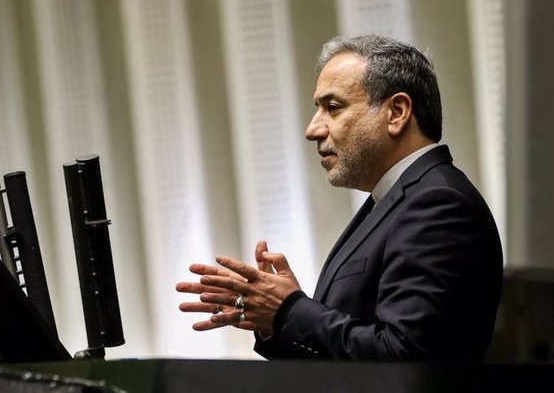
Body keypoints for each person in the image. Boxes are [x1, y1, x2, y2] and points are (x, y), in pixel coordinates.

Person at [176, 34, 503, 361]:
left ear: (397, 112)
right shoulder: (399, 198)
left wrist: (289, 310)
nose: (312, 129)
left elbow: (405, 359)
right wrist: (275, 319)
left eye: (333, 107)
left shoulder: (437, 204)